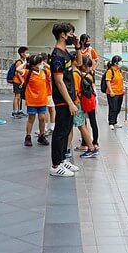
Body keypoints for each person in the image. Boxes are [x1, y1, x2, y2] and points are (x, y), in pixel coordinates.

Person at [49, 23, 81, 177]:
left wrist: (78, 48)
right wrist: (69, 102)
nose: (72, 36)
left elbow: (79, 63)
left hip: (70, 98)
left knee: (67, 130)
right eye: (70, 33)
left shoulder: (65, 52)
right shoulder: (57, 56)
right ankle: (55, 165)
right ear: (62, 34)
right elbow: (59, 81)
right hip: (63, 100)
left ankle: (62, 159)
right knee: (60, 132)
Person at [71, 52, 99, 158]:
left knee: (83, 124)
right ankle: (90, 145)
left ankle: (91, 146)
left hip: (80, 102)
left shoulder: (78, 74)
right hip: (84, 102)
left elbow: (76, 90)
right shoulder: (82, 74)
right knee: (83, 124)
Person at [22, 54, 50, 147]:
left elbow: (53, 71)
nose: (40, 65)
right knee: (31, 118)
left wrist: (45, 64)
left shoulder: (45, 72)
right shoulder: (28, 73)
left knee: (42, 118)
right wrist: (26, 62)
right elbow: (18, 69)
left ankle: (42, 135)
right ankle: (28, 136)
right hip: (32, 100)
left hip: (42, 99)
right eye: (38, 63)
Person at [105, 55, 124, 130]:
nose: (121, 63)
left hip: (120, 92)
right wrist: (111, 91)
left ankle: (115, 121)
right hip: (113, 93)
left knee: (118, 108)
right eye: (120, 61)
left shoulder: (119, 70)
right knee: (113, 107)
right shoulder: (110, 71)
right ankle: (111, 122)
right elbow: (108, 81)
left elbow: (120, 80)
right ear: (115, 63)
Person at [12, 46, 29, 119]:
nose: (28, 54)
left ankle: (18, 110)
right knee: (17, 96)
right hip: (17, 81)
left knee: (20, 97)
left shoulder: (24, 62)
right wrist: (22, 81)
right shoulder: (19, 62)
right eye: (26, 52)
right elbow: (18, 73)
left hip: (21, 82)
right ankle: (15, 111)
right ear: (22, 54)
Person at [41, 52, 56, 135]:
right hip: (47, 92)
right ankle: (49, 126)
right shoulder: (45, 70)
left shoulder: (47, 70)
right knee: (49, 109)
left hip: (48, 92)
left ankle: (48, 126)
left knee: (49, 109)